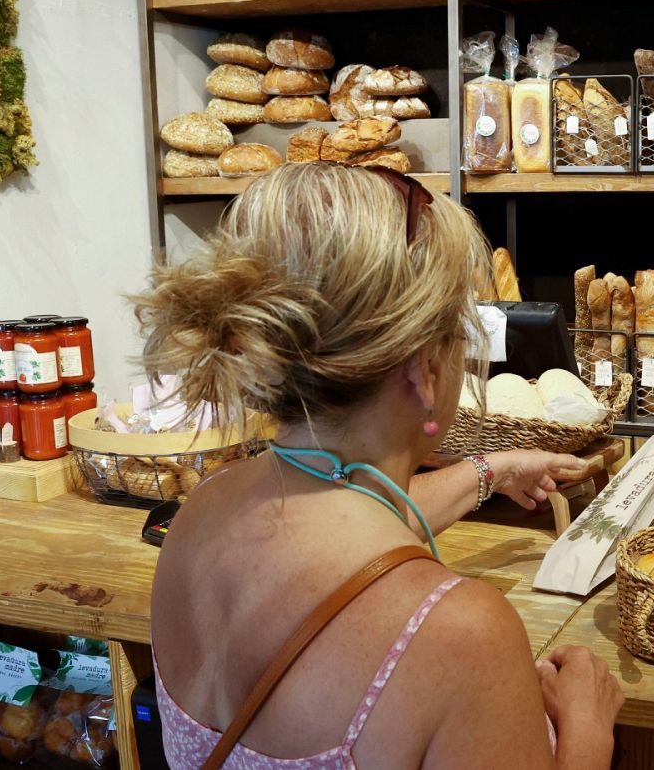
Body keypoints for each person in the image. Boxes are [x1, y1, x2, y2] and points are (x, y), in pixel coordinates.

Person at [139, 163, 622, 769]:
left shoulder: (202, 511)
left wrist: (490, 471)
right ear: (424, 370)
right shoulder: (459, 634)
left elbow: (350, 525)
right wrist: (586, 727)